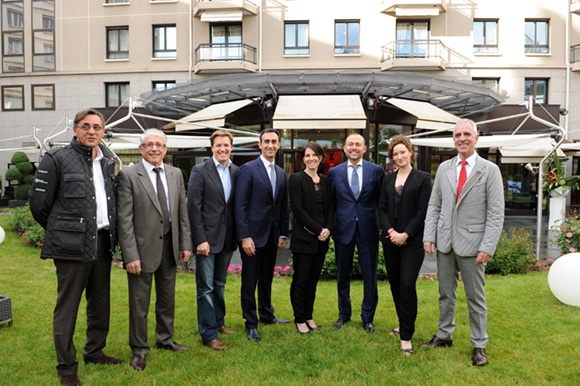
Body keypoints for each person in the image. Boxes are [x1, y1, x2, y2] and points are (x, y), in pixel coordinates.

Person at [29, 108, 122, 386]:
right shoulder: (56, 158)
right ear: (75, 130)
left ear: (103, 131)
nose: (91, 131)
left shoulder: (106, 161)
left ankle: (94, 351)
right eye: (85, 126)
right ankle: (67, 367)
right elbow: (38, 205)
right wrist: (64, 231)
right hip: (71, 245)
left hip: (102, 242)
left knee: (100, 302)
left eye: (97, 127)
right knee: (67, 307)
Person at [420, 119, 504, 366]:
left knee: (475, 298)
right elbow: (435, 204)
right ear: (453, 139)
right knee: (445, 293)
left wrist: (488, 246)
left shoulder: (490, 170)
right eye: (457, 135)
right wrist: (428, 235)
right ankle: (444, 335)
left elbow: (496, 212)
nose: (462, 138)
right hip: (445, 243)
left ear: (476, 138)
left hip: (474, 245)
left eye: (467, 134)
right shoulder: (445, 168)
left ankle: (479, 344)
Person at [117, 129, 192, 371]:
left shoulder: (176, 173)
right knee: (139, 304)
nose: (154, 149)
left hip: (169, 247)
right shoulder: (128, 175)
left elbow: (182, 212)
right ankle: (139, 350)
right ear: (141, 149)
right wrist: (130, 254)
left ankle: (165, 339)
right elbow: (124, 219)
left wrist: (185, 244)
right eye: (149, 145)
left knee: (167, 300)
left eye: (159, 145)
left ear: (165, 149)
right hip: (140, 251)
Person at [235, 128, 290, 342]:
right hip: (252, 237)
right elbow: (240, 206)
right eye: (266, 141)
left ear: (278, 145)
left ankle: (266, 314)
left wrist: (283, 233)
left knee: (266, 279)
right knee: (249, 281)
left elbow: (283, 206)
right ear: (259, 145)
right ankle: (250, 323)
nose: (270, 145)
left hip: (272, 236)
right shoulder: (248, 169)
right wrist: (244, 236)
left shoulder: (281, 172)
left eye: (274, 141)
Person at [378, 135, 431, 356]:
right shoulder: (388, 179)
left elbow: (422, 211)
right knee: (395, 285)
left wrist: (406, 234)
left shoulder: (423, 178)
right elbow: (380, 208)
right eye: (395, 154)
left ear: (410, 152)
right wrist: (391, 232)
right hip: (391, 241)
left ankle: (406, 336)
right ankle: (403, 321)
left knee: (407, 285)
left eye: (402, 152)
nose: (399, 156)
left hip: (412, 242)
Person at [187, 130, 239, 350]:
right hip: (206, 240)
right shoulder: (200, 170)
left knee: (219, 285)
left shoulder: (237, 171)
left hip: (227, 239)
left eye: (226, 145)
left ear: (231, 147)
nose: (222, 149)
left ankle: (219, 323)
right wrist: (200, 239)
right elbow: (193, 207)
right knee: (205, 288)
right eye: (218, 145)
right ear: (212, 148)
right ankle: (208, 335)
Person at [328, 133, 384, 333]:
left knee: (370, 276)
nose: (354, 147)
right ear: (344, 148)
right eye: (350, 144)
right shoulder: (334, 173)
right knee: (343, 275)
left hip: (368, 230)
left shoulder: (376, 171)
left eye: (358, 144)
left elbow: (380, 201)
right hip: (343, 230)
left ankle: (368, 317)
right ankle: (344, 315)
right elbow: (332, 204)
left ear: (364, 148)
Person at [288, 142, 334, 335]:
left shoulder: (325, 181)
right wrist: (318, 230)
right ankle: (299, 318)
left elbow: (332, 208)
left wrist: (329, 229)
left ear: (321, 158)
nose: (311, 158)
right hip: (303, 240)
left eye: (315, 155)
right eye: (307, 155)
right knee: (301, 280)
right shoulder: (296, 179)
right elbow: (298, 210)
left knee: (313, 281)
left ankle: (309, 315)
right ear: (302, 159)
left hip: (321, 241)